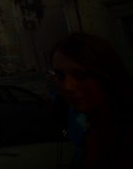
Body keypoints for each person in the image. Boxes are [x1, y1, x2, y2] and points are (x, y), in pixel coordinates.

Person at [50, 32, 133, 168]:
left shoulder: (124, 134)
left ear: (106, 75)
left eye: (81, 75)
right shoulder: (94, 127)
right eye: (59, 75)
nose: (67, 86)